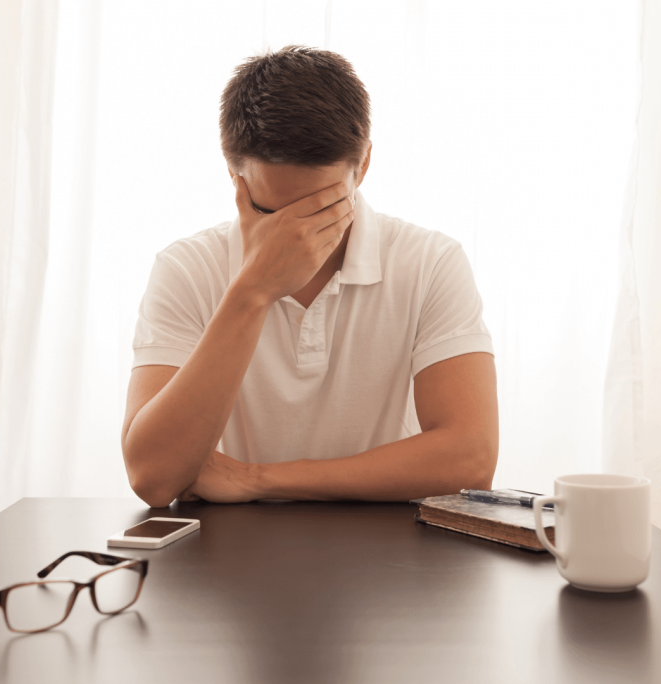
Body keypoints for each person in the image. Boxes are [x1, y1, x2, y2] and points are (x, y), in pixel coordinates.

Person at [121, 46, 497, 508]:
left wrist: (259, 479)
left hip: (388, 554)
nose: (297, 237)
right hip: (228, 554)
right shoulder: (187, 267)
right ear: (234, 177)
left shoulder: (430, 261)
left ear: (363, 167)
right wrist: (253, 289)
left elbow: (471, 460)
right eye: (272, 213)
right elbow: (153, 477)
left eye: (323, 209)